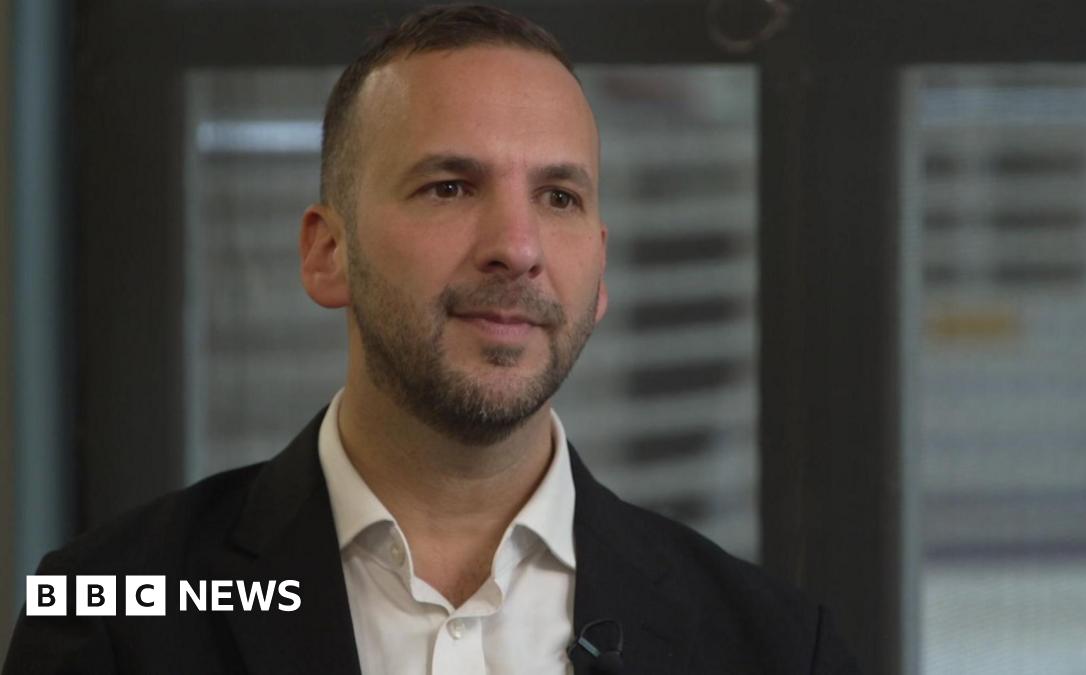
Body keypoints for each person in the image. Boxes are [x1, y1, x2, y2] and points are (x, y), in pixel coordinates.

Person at [3, 5, 858, 674]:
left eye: (559, 197)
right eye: (450, 187)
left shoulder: (776, 648)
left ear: (599, 273)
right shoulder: (109, 613)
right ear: (326, 253)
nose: (517, 248)